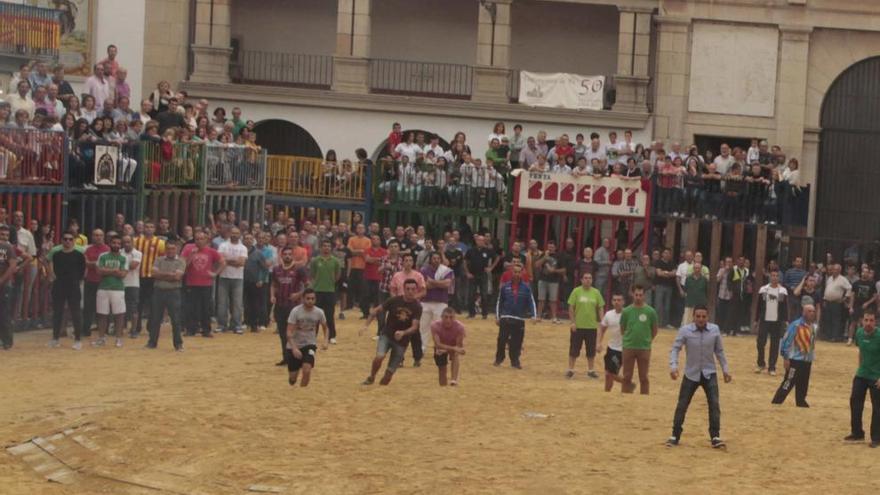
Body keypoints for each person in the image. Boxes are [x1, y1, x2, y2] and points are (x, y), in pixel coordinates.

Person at [667, 305, 732, 448]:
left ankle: (715, 436)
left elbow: (719, 351)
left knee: (714, 405)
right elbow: (675, 348)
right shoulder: (685, 330)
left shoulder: (714, 330)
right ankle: (674, 435)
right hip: (691, 373)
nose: (701, 319)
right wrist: (673, 366)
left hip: (709, 373)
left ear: (707, 317)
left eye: (703, 317)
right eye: (698, 316)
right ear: (693, 317)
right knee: (682, 405)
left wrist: (725, 370)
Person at [361, 279, 422, 386]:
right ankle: (371, 377)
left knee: (387, 377)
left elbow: (414, 327)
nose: (410, 291)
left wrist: (403, 333)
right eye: (408, 289)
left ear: (416, 290)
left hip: (402, 342)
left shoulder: (417, 306)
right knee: (379, 357)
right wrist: (366, 325)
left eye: (413, 289)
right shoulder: (394, 300)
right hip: (387, 335)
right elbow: (376, 310)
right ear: (403, 289)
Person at [845, 312, 880, 448]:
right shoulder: (859, 333)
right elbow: (861, 351)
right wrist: (860, 368)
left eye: (871, 320)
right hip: (862, 374)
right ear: (862, 321)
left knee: (877, 408)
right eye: (866, 320)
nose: (868, 323)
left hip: (876, 377)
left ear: (875, 322)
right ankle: (857, 432)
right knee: (855, 402)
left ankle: (876, 437)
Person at [772, 304, 818, 407]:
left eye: (813, 311)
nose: (812, 313)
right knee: (789, 381)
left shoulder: (813, 327)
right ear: (804, 312)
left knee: (803, 383)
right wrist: (786, 358)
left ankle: (801, 401)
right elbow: (786, 341)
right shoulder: (795, 325)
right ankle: (777, 400)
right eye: (809, 311)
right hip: (795, 360)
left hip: (807, 360)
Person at [182, 232, 225, 337]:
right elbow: (183, 266)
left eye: (201, 239)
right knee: (191, 307)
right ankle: (191, 329)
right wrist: (191, 255)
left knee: (206, 308)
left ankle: (206, 330)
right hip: (191, 283)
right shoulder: (188, 250)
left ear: (206, 240)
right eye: (197, 239)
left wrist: (215, 273)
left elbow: (223, 262)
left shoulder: (211, 251)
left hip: (206, 283)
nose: (199, 241)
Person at [47, 231, 85, 350]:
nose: (67, 241)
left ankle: (78, 339)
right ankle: (55, 338)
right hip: (59, 285)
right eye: (65, 239)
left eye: (70, 239)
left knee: (75, 313)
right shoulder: (56, 254)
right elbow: (50, 265)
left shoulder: (79, 254)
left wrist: (80, 281)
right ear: (62, 240)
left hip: (73, 286)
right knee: (57, 312)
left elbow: (83, 270)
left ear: (73, 241)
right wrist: (51, 276)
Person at [494, 265, 536, 369]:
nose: (517, 274)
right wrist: (497, 316)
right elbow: (499, 301)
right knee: (502, 339)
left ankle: (515, 361)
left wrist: (534, 315)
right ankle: (499, 358)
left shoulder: (526, 288)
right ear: (512, 273)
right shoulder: (505, 287)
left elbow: (531, 301)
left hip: (519, 318)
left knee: (517, 342)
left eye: (519, 272)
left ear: (521, 273)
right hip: (506, 316)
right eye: (515, 272)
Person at [285, 289, 329, 387]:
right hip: (294, 345)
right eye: (308, 298)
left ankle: (303, 392)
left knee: (307, 370)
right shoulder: (295, 311)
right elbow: (288, 332)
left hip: (310, 344)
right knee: (293, 377)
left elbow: (326, 328)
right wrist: (294, 348)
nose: (310, 301)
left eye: (312, 298)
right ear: (302, 299)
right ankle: (293, 381)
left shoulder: (319, 312)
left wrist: (326, 340)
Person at [272, 247, 308, 366]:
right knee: (283, 333)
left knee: (296, 333)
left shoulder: (299, 269)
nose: (287, 256)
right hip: (280, 306)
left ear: (293, 256)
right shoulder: (276, 269)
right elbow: (273, 284)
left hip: (294, 307)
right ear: (281, 256)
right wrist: (272, 295)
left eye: (289, 254)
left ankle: (298, 358)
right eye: (285, 254)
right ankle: (286, 358)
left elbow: (308, 285)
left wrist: (299, 294)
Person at [147, 241, 186, 350]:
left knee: (176, 319)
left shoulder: (181, 261)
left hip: (174, 292)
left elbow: (177, 277)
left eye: (173, 248)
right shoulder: (159, 259)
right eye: (168, 248)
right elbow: (154, 274)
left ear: (177, 249)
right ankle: (152, 342)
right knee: (155, 318)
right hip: (158, 291)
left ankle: (178, 344)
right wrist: (170, 274)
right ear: (165, 249)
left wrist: (161, 275)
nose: (170, 251)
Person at [620, 285, 659, 394]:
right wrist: (629, 339)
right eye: (636, 295)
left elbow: (655, 330)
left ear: (644, 296)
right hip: (629, 346)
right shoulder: (626, 311)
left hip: (644, 347)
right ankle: (625, 397)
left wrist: (647, 339)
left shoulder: (651, 312)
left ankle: (644, 399)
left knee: (644, 377)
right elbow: (622, 329)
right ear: (633, 295)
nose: (638, 297)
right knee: (627, 375)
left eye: (640, 295)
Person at [566, 272, 605, 379]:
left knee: (591, 350)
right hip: (578, 326)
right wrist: (572, 322)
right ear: (581, 280)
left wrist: (602, 321)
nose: (588, 280)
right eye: (586, 278)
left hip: (591, 326)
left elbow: (600, 307)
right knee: (574, 349)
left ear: (592, 280)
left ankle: (591, 370)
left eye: (590, 278)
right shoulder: (576, 291)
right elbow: (571, 308)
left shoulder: (596, 292)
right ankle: (570, 369)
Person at [94, 235, 128, 348]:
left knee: (119, 314)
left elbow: (123, 274)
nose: (116, 245)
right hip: (103, 288)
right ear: (110, 243)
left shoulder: (124, 258)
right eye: (114, 243)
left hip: (118, 289)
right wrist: (114, 270)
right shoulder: (103, 256)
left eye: (118, 243)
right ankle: (101, 338)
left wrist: (107, 271)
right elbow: (99, 271)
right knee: (102, 314)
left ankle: (118, 338)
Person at [133, 221, 165, 338]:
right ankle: (136, 327)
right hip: (138, 276)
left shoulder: (160, 243)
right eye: (147, 226)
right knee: (138, 303)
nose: (149, 228)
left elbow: (162, 260)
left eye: (151, 226)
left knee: (153, 303)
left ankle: (151, 326)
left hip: (152, 277)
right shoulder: (136, 241)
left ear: (154, 229)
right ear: (142, 228)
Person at [755, 269, 789, 376]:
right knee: (760, 342)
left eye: (776, 276)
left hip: (776, 321)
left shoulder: (783, 291)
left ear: (779, 278)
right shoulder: (763, 290)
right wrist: (756, 320)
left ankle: (772, 366)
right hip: (764, 320)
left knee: (774, 344)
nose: (774, 277)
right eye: (772, 275)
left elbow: (784, 307)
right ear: (769, 277)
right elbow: (759, 306)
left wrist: (786, 320)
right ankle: (761, 364)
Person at [420, 251, 454, 357]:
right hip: (425, 302)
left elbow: (447, 284)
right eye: (434, 258)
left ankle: (439, 348)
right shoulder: (424, 270)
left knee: (440, 327)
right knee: (423, 326)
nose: (436, 260)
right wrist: (439, 283)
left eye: (438, 258)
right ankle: (422, 348)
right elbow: (424, 285)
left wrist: (433, 282)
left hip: (440, 303)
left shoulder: (446, 271)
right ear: (430, 259)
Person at [308, 240, 342, 343]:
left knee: (329, 315)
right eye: (324, 246)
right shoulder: (315, 260)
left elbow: (337, 275)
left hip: (330, 291)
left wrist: (330, 283)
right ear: (321, 248)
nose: (326, 248)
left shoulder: (335, 261)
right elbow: (312, 275)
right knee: (315, 315)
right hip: (317, 291)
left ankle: (331, 336)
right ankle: (313, 336)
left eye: (328, 246)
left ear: (331, 248)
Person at [217, 227, 248, 334]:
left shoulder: (243, 247)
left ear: (240, 234)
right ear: (230, 233)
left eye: (237, 233)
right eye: (233, 233)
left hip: (238, 278)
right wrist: (234, 261)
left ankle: (237, 325)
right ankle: (221, 325)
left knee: (237, 303)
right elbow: (220, 260)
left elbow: (242, 263)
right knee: (222, 303)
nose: (235, 235)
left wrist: (228, 260)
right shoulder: (223, 245)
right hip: (223, 277)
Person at [431, 307, 466, 386]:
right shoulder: (435, 326)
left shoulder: (460, 327)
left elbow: (458, 345)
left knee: (455, 355)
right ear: (441, 317)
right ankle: (443, 387)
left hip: (453, 345)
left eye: (451, 317)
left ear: (454, 318)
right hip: (441, 347)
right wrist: (451, 349)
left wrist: (455, 349)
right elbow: (437, 344)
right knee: (442, 368)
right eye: (446, 317)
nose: (448, 320)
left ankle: (454, 380)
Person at [599, 293, 626, 391]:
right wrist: (599, 343)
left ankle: (627, 383)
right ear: (611, 302)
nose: (616, 302)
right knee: (607, 374)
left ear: (623, 302)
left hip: (622, 349)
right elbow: (602, 329)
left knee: (611, 373)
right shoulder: (608, 314)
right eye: (614, 300)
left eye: (619, 300)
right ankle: (607, 393)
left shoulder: (627, 314)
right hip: (610, 348)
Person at [0, 225, 19, 350]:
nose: (4, 237)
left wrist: (1, 280)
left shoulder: (8, 248)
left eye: (6, 235)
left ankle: (7, 341)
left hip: (4, 285)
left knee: (3, 313)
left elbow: (12, 266)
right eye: (2, 234)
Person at [120, 235, 143, 337]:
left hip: (133, 284)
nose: (126, 244)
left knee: (133, 308)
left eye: (128, 242)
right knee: (119, 308)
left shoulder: (137, 253)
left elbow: (133, 266)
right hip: (120, 283)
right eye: (124, 242)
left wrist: (121, 266)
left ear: (132, 243)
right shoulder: (119, 252)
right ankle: (120, 328)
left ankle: (133, 330)